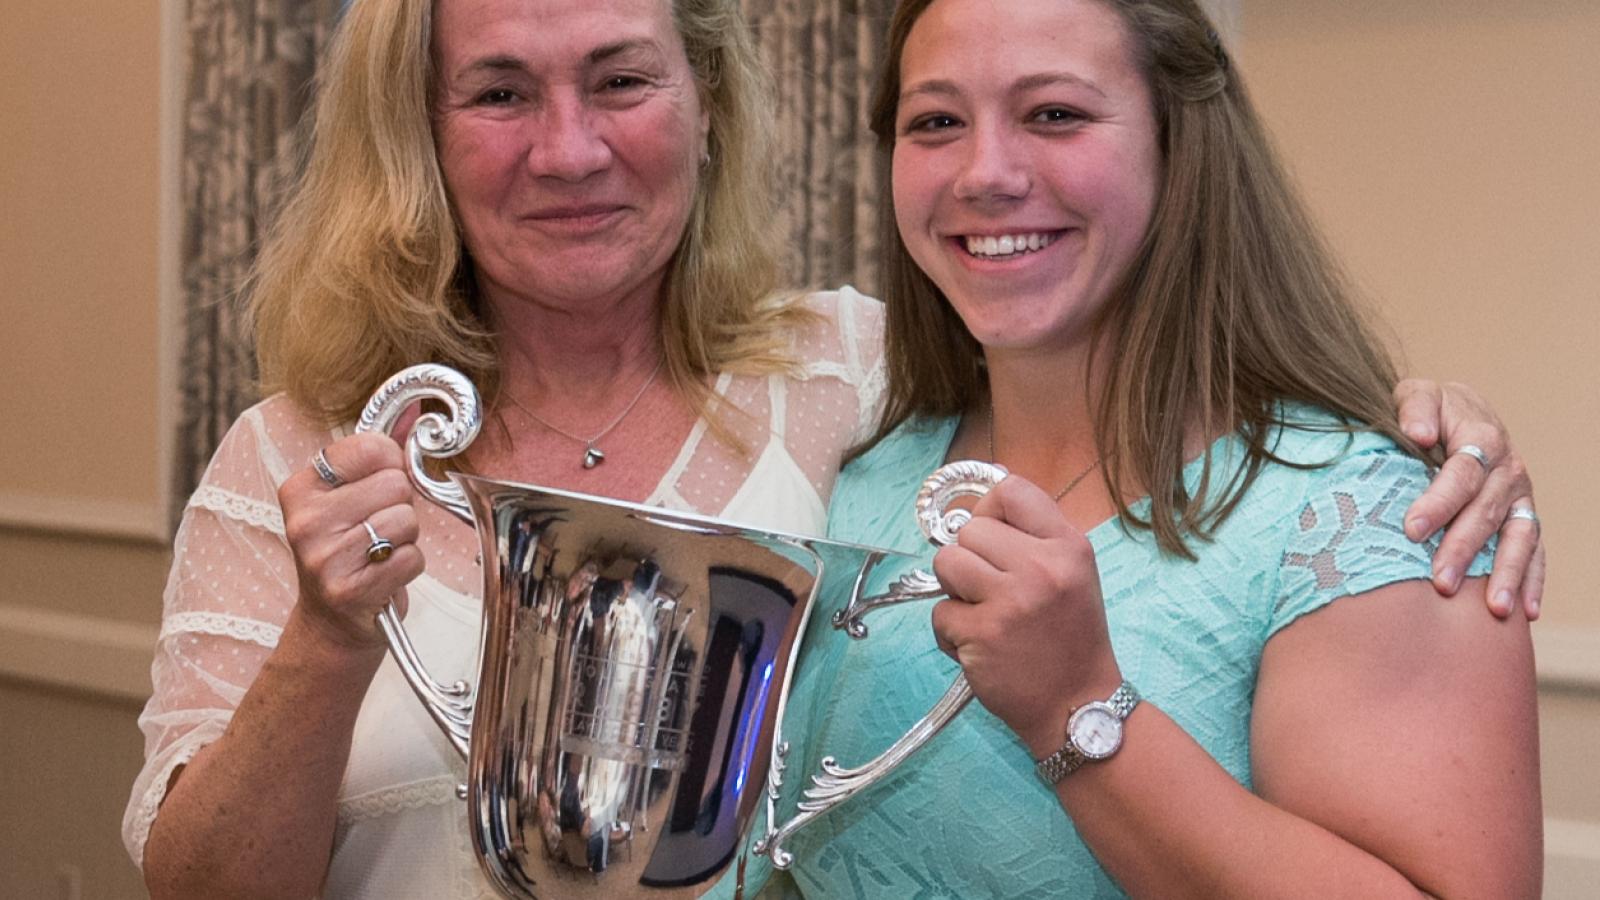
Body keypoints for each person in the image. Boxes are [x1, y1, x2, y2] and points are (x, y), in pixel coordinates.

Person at [123, 0, 1537, 897]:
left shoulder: (834, 381)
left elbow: (1128, 347)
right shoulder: (302, 456)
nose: (568, 150)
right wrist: (323, 643)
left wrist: (1413, 423)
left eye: (621, 78)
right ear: (419, 137)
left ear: (708, 107)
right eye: (499, 93)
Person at [746, 0, 1543, 897]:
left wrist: (1077, 705)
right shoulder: (849, 460)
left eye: (1055, 114)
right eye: (936, 122)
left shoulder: (1361, 516)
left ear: (1182, 143)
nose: (986, 172)